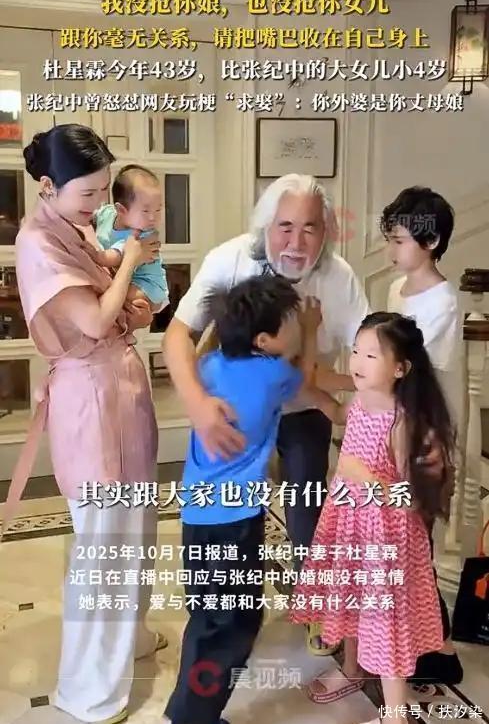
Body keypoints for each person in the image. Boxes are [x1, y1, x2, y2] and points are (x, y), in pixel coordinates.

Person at [163, 173, 369, 654]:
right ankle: (225, 612)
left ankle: (313, 604)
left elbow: (364, 347)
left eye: (310, 228)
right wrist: (197, 405)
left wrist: (376, 399)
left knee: (306, 505)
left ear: (326, 231)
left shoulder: (338, 277)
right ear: (266, 226)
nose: (296, 243)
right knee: (235, 514)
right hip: (243, 411)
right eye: (285, 227)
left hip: (302, 402)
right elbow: (177, 335)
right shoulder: (228, 259)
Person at [1, 124, 166, 724]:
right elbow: (95, 321)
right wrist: (132, 263)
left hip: (120, 390)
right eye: (89, 193)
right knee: (104, 547)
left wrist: (133, 300)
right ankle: (90, 692)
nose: (99, 205)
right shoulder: (38, 242)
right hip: (92, 400)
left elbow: (122, 307)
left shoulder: (76, 226)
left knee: (134, 533)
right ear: (48, 185)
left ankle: (130, 640)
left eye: (103, 191)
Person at [164, 275, 334, 724]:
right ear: (264, 340)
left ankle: (191, 713)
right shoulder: (273, 375)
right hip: (236, 519)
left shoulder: (210, 367)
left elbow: (203, 351)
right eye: (290, 321)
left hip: (198, 514)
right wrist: (312, 332)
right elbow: (307, 377)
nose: (297, 324)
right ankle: (191, 718)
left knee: (208, 615)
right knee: (235, 622)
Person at [290, 312, 455, 724]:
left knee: (385, 620)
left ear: (400, 368)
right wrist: (311, 390)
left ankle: (396, 715)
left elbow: (412, 499)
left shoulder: (403, 422)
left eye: (371, 355)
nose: (357, 362)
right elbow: (337, 410)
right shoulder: (362, 402)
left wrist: (366, 478)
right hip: (351, 524)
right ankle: (353, 669)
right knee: (351, 595)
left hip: (387, 537)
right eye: (356, 351)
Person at [382, 186, 463, 686]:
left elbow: (416, 373)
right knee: (403, 544)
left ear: (430, 242)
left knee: (415, 543)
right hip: (395, 429)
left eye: (399, 241)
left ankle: (440, 648)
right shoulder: (398, 290)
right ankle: (423, 644)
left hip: (426, 437)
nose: (391, 250)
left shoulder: (444, 303)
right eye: (389, 239)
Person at [93, 163, 169, 314]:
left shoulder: (141, 235)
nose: (153, 217)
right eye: (145, 211)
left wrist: (94, 255)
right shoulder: (107, 214)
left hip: (147, 285)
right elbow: (93, 214)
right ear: (121, 210)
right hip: (124, 278)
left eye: (158, 209)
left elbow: (114, 257)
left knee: (118, 295)